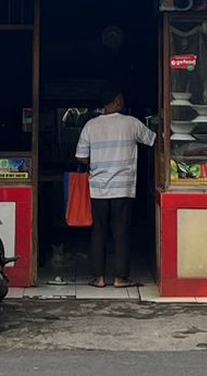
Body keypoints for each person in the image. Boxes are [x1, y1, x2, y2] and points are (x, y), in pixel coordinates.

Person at [74, 91, 155, 288]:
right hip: (123, 187)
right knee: (121, 232)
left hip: (99, 188)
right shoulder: (131, 123)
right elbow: (153, 140)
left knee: (98, 231)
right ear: (118, 101)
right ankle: (120, 278)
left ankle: (99, 278)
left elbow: (81, 157)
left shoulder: (91, 125)